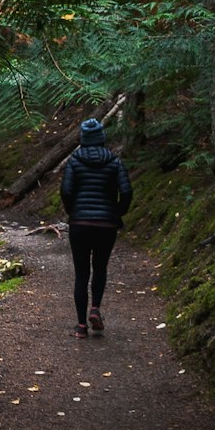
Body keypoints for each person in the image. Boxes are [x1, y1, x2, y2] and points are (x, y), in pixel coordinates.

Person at [59, 116, 133, 338]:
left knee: (82, 274)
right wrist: (117, 212)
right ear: (101, 139)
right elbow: (127, 191)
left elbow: (66, 191)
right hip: (106, 225)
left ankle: (81, 327)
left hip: (80, 224)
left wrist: (74, 212)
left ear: (83, 139)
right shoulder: (114, 161)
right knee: (100, 268)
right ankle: (95, 309)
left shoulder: (73, 161)